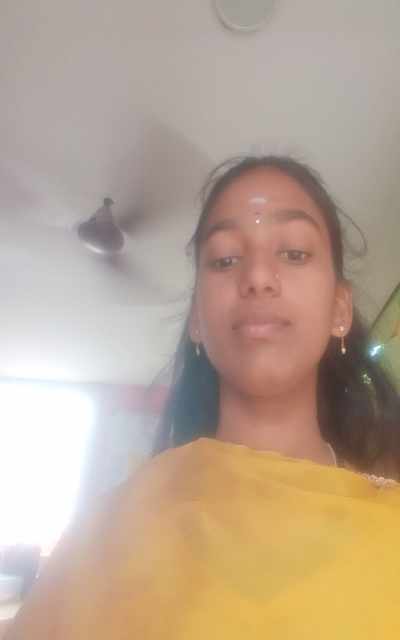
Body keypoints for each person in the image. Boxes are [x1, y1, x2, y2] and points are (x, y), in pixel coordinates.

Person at [6, 156, 400, 639]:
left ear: (340, 308)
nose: (258, 276)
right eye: (225, 259)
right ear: (197, 319)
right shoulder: (105, 536)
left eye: (294, 253)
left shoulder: (392, 535)